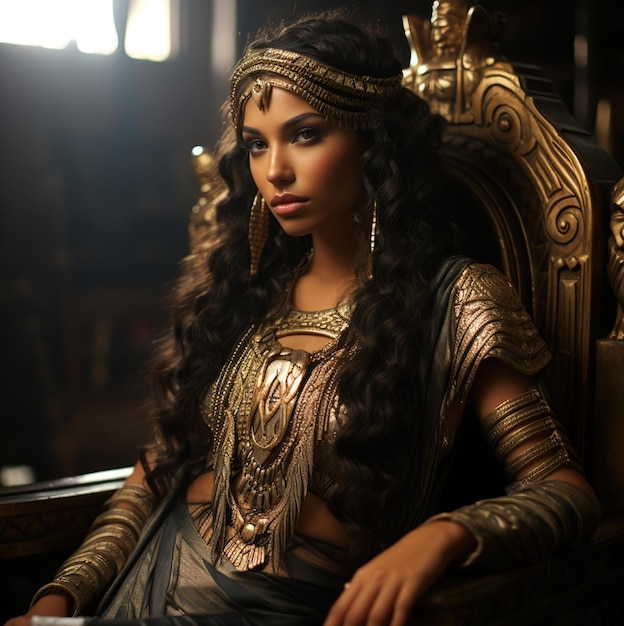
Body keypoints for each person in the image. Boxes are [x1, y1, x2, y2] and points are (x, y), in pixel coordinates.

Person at [7, 9, 600, 626]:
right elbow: (149, 481)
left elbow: (564, 492)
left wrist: (444, 537)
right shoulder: (241, 297)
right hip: (140, 591)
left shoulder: (459, 301)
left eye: (306, 134)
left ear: (372, 139)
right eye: (258, 144)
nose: (275, 170)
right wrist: (59, 600)